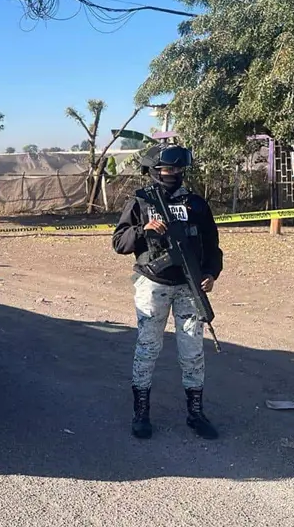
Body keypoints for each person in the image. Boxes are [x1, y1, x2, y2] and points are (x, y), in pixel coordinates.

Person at [111, 143, 223, 441]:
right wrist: (143, 230)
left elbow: (212, 245)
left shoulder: (195, 203)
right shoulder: (141, 200)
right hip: (153, 283)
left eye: (177, 168)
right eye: (166, 168)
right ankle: (141, 413)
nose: (172, 173)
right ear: (153, 169)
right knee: (148, 348)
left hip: (190, 286)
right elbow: (119, 242)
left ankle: (195, 413)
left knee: (193, 352)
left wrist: (211, 273)